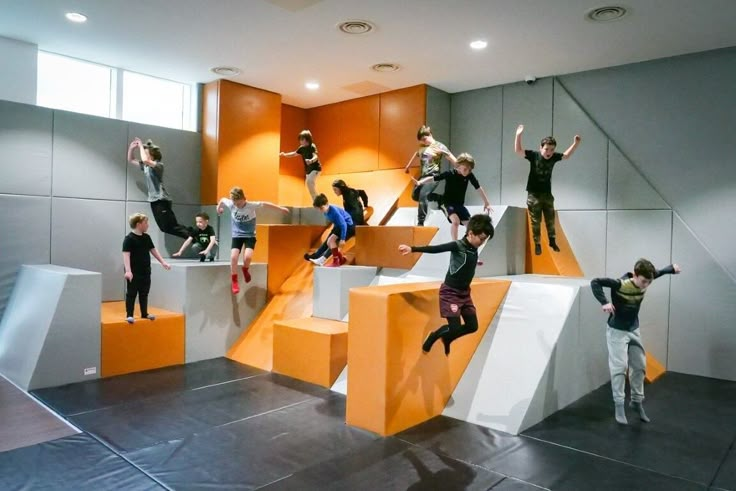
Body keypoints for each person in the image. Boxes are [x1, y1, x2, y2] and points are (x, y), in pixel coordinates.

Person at [590, 259, 681, 424]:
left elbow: (659, 272)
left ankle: (636, 402)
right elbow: (595, 282)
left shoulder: (648, 278)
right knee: (619, 368)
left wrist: (672, 269)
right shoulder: (619, 284)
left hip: (633, 330)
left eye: (649, 282)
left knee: (639, 366)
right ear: (635, 275)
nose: (646, 285)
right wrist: (604, 302)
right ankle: (619, 406)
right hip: (617, 331)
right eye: (644, 281)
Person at [398, 214, 494, 355]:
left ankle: (447, 338)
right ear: (471, 233)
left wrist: (474, 262)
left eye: (485, 240)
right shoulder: (457, 245)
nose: (482, 242)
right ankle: (435, 336)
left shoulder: (473, 248)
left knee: (473, 326)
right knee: (454, 328)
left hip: (465, 294)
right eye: (481, 239)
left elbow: (466, 259)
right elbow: (436, 249)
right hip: (451, 293)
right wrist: (412, 249)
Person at [514, 125, 581, 255]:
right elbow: (518, 151)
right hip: (534, 194)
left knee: (550, 218)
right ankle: (537, 243)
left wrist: (575, 143)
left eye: (551, 149)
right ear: (541, 148)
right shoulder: (534, 155)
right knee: (536, 220)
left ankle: (552, 240)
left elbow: (566, 156)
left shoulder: (554, 157)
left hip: (547, 194)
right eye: (546, 149)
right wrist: (518, 135)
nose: (548, 152)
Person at [217, 187, 289, 294]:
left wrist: (280, 209)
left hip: (249, 235)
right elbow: (222, 199)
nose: (236, 205)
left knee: (248, 257)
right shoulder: (231, 204)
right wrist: (219, 208)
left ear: (243, 199)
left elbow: (265, 204)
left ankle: (245, 269)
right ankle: (234, 280)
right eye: (235, 203)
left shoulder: (251, 206)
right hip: (237, 235)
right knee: (233, 257)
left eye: (238, 203)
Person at [413, 153, 492, 241]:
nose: (468, 172)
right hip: (447, 203)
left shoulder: (469, 175)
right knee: (456, 222)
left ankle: (468, 243)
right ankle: (454, 243)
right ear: (459, 165)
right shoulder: (450, 173)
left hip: (459, 205)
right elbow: (434, 178)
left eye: (470, 170)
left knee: (470, 225)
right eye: (465, 169)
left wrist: (487, 202)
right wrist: (420, 182)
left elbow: (478, 187)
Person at [127, 138, 190, 239]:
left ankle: (194, 236)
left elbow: (145, 160)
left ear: (152, 155)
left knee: (171, 226)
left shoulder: (159, 165)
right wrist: (131, 148)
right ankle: (192, 234)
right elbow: (131, 160)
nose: (144, 155)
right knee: (164, 228)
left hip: (162, 200)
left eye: (146, 153)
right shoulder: (146, 167)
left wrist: (140, 146)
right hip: (154, 201)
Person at [122, 213, 171, 324]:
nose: (148, 225)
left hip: (145, 270)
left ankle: (144, 313)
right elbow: (126, 255)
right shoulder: (129, 239)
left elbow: (153, 250)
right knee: (132, 293)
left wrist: (163, 262)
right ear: (139, 224)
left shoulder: (146, 237)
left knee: (144, 292)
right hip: (134, 271)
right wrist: (128, 271)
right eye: (146, 223)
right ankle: (129, 314)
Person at [404, 125, 456, 226]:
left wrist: (460, 169)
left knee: (423, 195)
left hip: (433, 176)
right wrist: (407, 166)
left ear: (430, 135)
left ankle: (421, 222)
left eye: (424, 139)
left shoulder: (439, 146)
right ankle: (439, 198)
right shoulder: (423, 149)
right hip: (423, 176)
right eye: (422, 141)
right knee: (415, 196)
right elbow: (416, 154)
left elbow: (451, 158)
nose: (424, 142)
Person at [306, 193, 355, 267]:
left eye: (321, 208)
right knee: (329, 242)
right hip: (338, 226)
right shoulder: (326, 211)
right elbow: (336, 222)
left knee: (331, 241)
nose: (320, 210)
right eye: (318, 209)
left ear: (327, 204)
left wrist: (342, 239)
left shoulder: (334, 211)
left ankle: (333, 261)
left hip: (348, 226)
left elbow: (343, 224)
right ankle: (341, 259)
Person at [279, 129, 321, 200]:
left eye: (301, 139)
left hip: (315, 169)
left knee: (309, 182)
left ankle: (317, 200)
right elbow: (294, 154)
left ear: (306, 139)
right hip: (308, 170)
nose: (300, 141)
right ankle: (318, 200)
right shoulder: (301, 148)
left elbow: (316, 156)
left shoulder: (312, 146)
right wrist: (284, 154)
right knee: (309, 185)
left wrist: (311, 161)